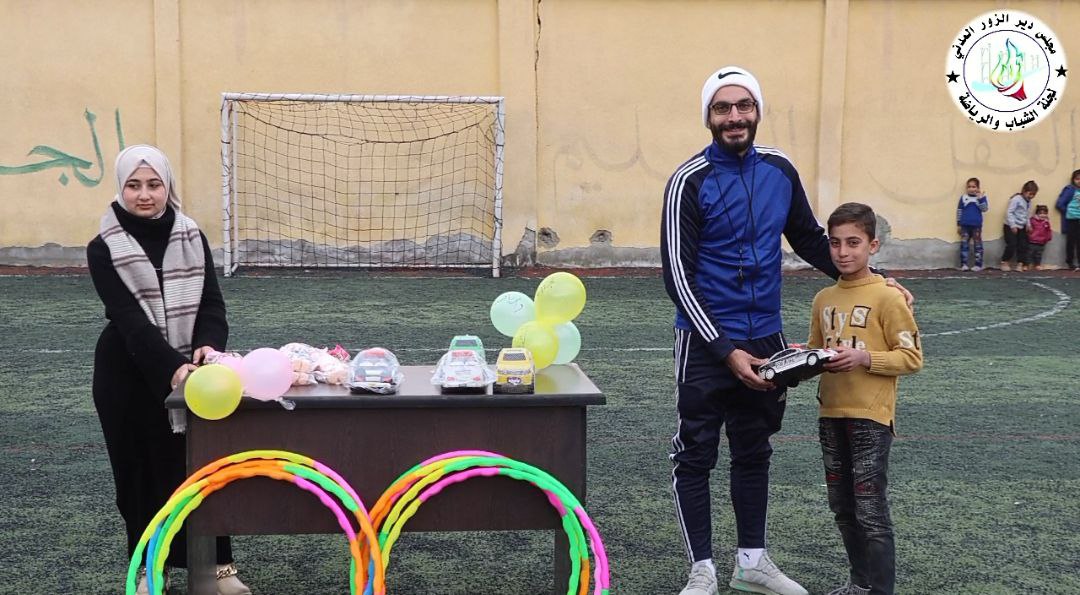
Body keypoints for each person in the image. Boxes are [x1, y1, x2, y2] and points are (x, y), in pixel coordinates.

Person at [660, 66, 912, 595]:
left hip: (767, 340)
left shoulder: (779, 169)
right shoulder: (688, 181)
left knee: (754, 450)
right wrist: (726, 350)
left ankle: (751, 562)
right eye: (722, 108)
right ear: (708, 117)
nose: (734, 116)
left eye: (744, 106)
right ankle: (702, 570)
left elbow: (810, 238)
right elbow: (678, 276)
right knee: (696, 454)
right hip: (706, 342)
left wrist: (878, 278)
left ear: (757, 111)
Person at [87, 145, 251, 595]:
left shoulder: (191, 235)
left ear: (167, 187)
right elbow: (129, 321)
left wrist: (207, 347)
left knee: (201, 468)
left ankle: (219, 569)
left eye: (153, 184)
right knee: (137, 475)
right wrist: (174, 370)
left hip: (192, 372)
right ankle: (147, 570)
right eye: (134, 185)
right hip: (126, 373)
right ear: (120, 189)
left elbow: (212, 304)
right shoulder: (103, 247)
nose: (144, 195)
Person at [807, 203, 923, 595]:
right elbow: (816, 351)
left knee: (871, 510)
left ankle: (880, 590)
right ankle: (860, 584)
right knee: (843, 508)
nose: (843, 252)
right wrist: (796, 361)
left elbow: (911, 358)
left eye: (853, 242)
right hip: (830, 414)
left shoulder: (889, 297)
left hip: (871, 417)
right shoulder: (823, 298)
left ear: (873, 245)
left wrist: (864, 358)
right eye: (835, 243)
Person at [1000, 180, 1037, 271]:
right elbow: (1009, 212)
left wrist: (1028, 224)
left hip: (1022, 226)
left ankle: (1020, 263)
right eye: (1030, 194)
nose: (1031, 196)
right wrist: (1013, 225)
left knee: (1023, 245)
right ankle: (1005, 261)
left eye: (1033, 194)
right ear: (1024, 191)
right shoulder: (1016, 199)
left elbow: (1027, 214)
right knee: (1012, 244)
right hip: (1010, 226)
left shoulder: (1028, 202)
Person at [955, 177, 988, 271]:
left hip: (976, 226)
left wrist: (980, 199)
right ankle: (964, 264)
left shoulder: (981, 198)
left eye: (974, 187)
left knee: (978, 245)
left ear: (978, 188)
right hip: (965, 225)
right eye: (969, 187)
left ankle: (978, 264)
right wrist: (959, 224)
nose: (971, 189)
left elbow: (984, 209)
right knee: (964, 245)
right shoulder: (963, 198)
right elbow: (959, 211)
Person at [1056, 169, 1080, 271]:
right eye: (1077, 179)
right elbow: (1060, 204)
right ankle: (1070, 262)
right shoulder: (1069, 189)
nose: (1079, 181)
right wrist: (1068, 212)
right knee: (1071, 242)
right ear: (1073, 179)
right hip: (1071, 219)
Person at [1026, 205, 1052, 271]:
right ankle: (1028, 264)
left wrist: (1048, 237)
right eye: (1040, 213)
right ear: (1037, 213)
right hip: (1032, 240)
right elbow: (1029, 228)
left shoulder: (1046, 222)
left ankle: (1037, 265)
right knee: (1029, 253)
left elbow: (1048, 230)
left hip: (1042, 241)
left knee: (1038, 254)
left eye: (1044, 213)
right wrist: (1029, 235)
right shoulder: (1032, 220)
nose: (1042, 215)